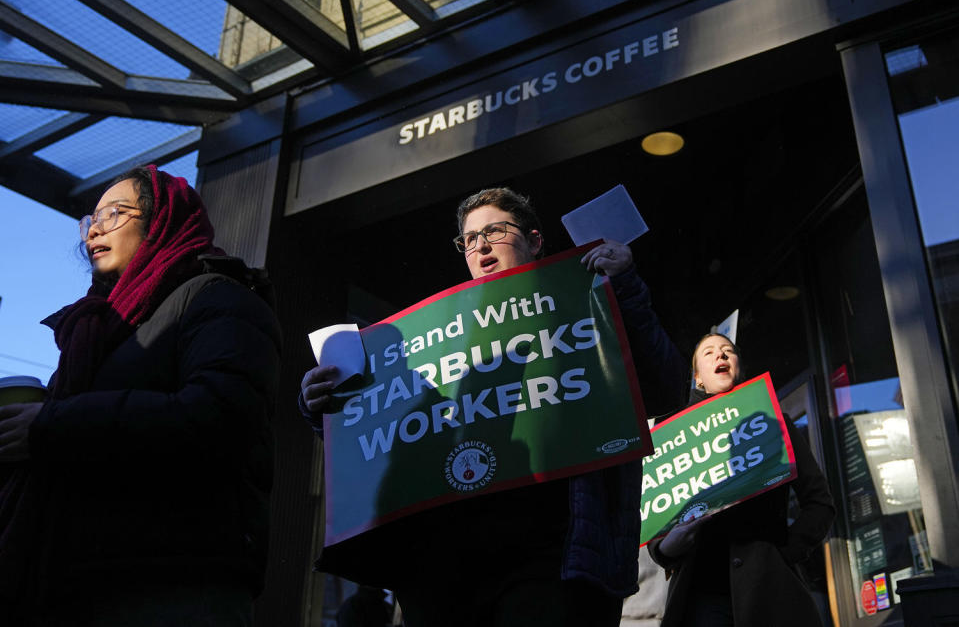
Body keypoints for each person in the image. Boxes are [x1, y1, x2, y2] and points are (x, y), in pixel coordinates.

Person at [300, 187, 687, 626]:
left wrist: (626, 289)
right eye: (469, 239)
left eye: (495, 231)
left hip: (551, 561)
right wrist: (330, 407)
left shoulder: (589, 299)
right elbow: (391, 439)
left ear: (536, 241)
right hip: (442, 571)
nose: (480, 245)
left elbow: (665, 388)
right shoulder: (433, 339)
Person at [0, 165, 282, 626]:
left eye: (115, 213)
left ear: (162, 221)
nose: (95, 228)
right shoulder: (96, 328)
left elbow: (221, 417)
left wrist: (54, 425)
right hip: (77, 578)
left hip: (176, 579)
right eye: (90, 219)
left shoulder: (220, 299)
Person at [648, 333, 835, 627]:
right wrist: (669, 545)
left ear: (738, 367)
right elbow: (656, 526)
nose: (720, 356)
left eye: (727, 351)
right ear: (698, 378)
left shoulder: (775, 422)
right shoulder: (671, 439)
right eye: (709, 353)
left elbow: (820, 503)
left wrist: (784, 554)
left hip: (769, 593)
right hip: (700, 598)